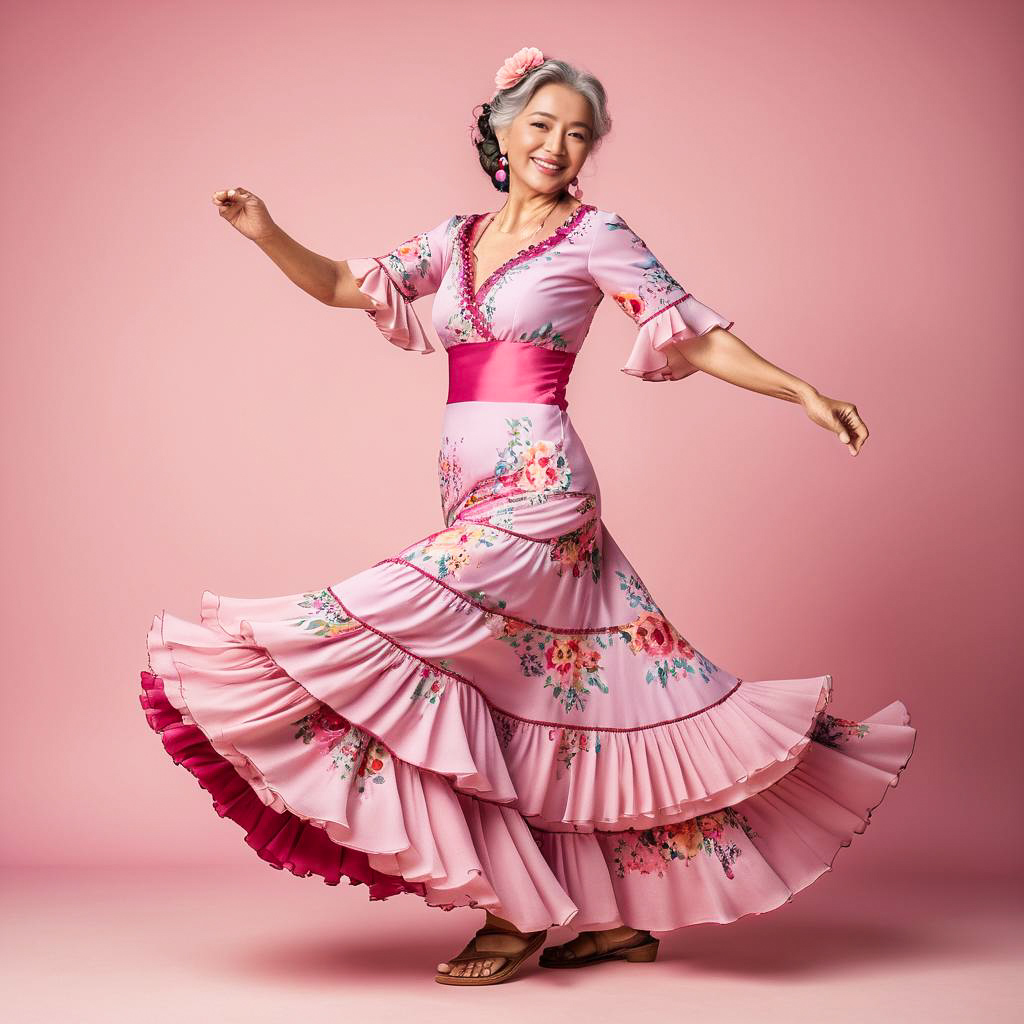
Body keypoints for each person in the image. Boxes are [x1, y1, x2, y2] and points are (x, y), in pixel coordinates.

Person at [139, 46, 916, 987]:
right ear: (500, 129)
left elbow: (693, 331)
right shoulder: (454, 238)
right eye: (543, 123)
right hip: (468, 487)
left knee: (389, 616)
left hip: (544, 490)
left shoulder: (598, 234)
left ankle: (513, 921)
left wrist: (801, 392)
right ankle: (602, 918)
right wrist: (268, 233)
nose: (560, 143)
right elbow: (348, 284)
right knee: (546, 703)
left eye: (579, 132)